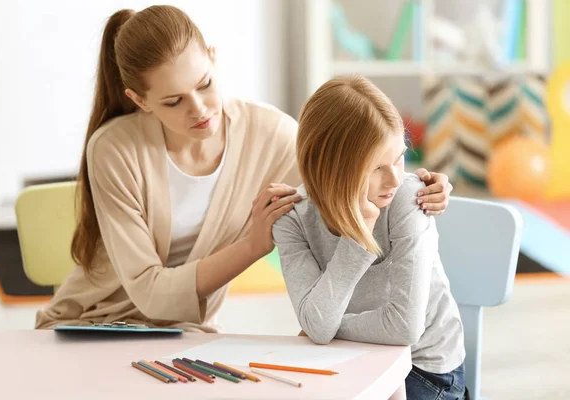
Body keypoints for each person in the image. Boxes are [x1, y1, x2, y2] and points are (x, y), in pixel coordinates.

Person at [35, 6, 453, 332]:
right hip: (87, 326)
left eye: (204, 85)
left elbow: (345, 180)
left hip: (187, 333)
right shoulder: (114, 149)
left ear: (213, 60)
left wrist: (420, 186)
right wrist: (253, 246)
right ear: (139, 100)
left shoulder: (270, 134)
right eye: (173, 101)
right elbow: (150, 294)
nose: (200, 110)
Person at [273, 75, 466, 400]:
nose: (394, 178)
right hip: (349, 359)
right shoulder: (291, 217)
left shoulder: (409, 200)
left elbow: (404, 327)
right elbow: (318, 327)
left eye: (398, 157)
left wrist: (326, 326)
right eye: (376, 167)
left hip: (426, 370)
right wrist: (357, 240)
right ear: (330, 168)